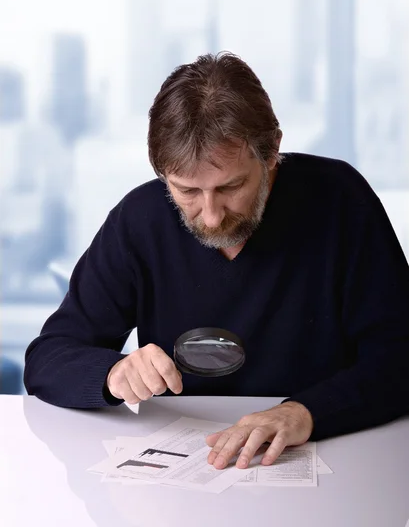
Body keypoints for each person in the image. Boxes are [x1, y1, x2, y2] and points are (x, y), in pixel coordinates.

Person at [24, 52, 409, 471]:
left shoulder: (341, 202)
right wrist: (113, 374)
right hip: (191, 465)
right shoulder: (140, 219)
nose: (210, 216)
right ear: (161, 174)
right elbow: (49, 357)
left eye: (231, 186)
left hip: (328, 454)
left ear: (272, 152)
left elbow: (398, 359)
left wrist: (305, 412)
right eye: (187, 191)